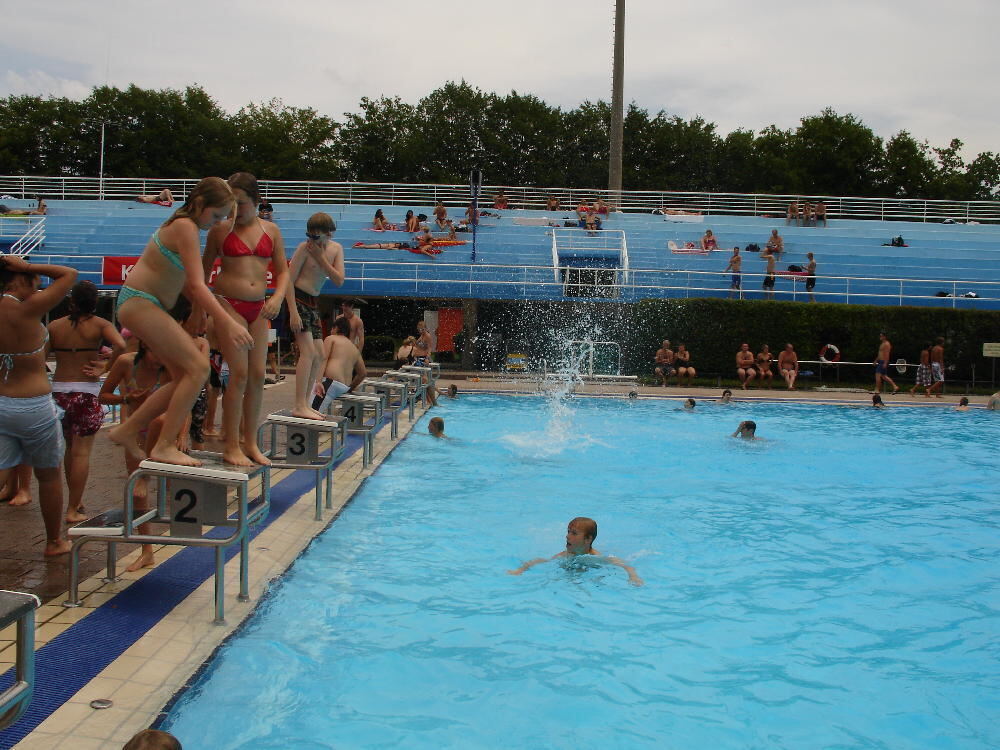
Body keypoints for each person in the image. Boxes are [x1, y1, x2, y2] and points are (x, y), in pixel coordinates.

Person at [107, 177, 254, 468]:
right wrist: (228, 323)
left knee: (184, 377)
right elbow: (198, 287)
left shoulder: (186, 228)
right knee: (198, 368)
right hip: (140, 303)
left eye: (223, 218)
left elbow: (188, 284)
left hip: (145, 304)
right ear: (199, 204)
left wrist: (210, 310)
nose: (216, 223)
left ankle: (127, 429)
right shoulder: (185, 227)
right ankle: (163, 445)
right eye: (215, 216)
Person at [203, 173, 289, 466]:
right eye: (231, 205)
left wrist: (276, 298)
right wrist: (200, 313)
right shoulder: (219, 231)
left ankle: (250, 442)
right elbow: (201, 275)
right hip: (229, 306)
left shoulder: (272, 231)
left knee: (256, 377)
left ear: (257, 201)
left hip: (259, 308)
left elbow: (283, 271)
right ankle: (230, 446)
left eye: (241, 204)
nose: (235, 211)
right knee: (237, 376)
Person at [0, 255, 78, 555]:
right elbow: (69, 274)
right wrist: (29, 266)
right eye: (34, 280)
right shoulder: (27, 309)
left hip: (3, 402)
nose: (38, 285)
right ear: (20, 278)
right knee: (47, 476)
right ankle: (54, 541)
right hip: (33, 405)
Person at [48, 280, 127, 523]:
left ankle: (76, 500)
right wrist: (105, 366)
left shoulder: (54, 325)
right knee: (82, 453)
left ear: (72, 301)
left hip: (58, 392)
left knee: (69, 450)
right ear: (94, 303)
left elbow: (39, 355)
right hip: (85, 392)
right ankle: (73, 507)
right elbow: (122, 345)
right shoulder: (100, 325)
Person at [100, 339, 169, 570]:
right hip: (136, 432)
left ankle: (145, 472)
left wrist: (180, 435)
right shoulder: (124, 362)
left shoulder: (168, 366)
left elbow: (183, 400)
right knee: (138, 497)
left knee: (160, 420)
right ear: (143, 347)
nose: (158, 361)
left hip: (163, 431)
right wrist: (128, 399)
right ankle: (147, 550)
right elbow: (103, 396)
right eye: (155, 355)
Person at [285, 212, 345, 420]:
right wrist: (292, 311)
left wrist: (321, 260)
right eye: (309, 236)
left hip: (313, 302)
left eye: (316, 237)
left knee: (319, 355)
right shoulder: (304, 249)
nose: (311, 241)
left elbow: (338, 280)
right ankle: (298, 404)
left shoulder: (336, 249)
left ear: (329, 234)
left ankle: (307, 402)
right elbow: (287, 281)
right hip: (299, 299)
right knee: (308, 353)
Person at [508, 517, 643, 586]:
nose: (567, 536)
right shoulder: (566, 555)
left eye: (574, 533)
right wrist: (520, 570)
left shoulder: (596, 557)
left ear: (588, 539)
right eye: (568, 532)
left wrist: (633, 577)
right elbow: (541, 561)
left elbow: (626, 565)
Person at [313, 316, 367, 413]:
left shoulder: (331, 339)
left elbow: (324, 359)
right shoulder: (354, 347)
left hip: (330, 382)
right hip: (344, 386)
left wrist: (318, 381)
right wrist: (350, 388)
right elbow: (362, 373)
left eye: (332, 328)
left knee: (310, 412)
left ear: (336, 328)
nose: (330, 331)